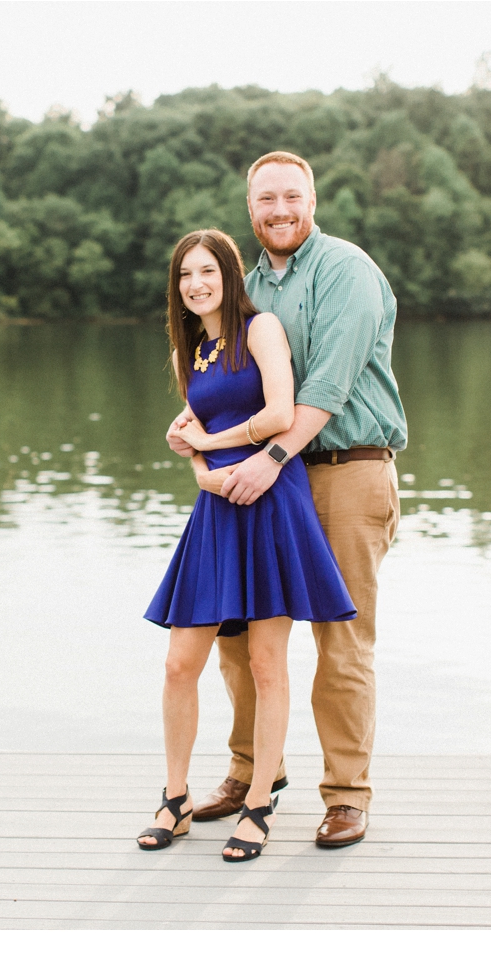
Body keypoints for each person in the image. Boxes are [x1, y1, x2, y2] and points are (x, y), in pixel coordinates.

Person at [167, 151, 406, 848]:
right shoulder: (246, 286)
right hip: (265, 477)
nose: (278, 209)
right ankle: (251, 775)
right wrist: (198, 438)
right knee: (240, 638)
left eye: (290, 196)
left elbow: (326, 386)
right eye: (265, 198)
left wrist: (271, 456)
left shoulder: (346, 272)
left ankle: (347, 794)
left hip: (343, 468)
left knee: (341, 638)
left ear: (311, 198)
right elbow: (223, 378)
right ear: (251, 208)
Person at [137, 228, 356, 862]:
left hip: (271, 498)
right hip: (218, 507)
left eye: (208, 271)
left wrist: (205, 446)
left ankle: (259, 800)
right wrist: (201, 470)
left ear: (230, 276)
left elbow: (282, 413)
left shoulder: (261, 330)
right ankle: (174, 800)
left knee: (266, 662)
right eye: (185, 276)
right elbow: (193, 438)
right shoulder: (189, 354)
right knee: (182, 661)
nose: (196, 284)